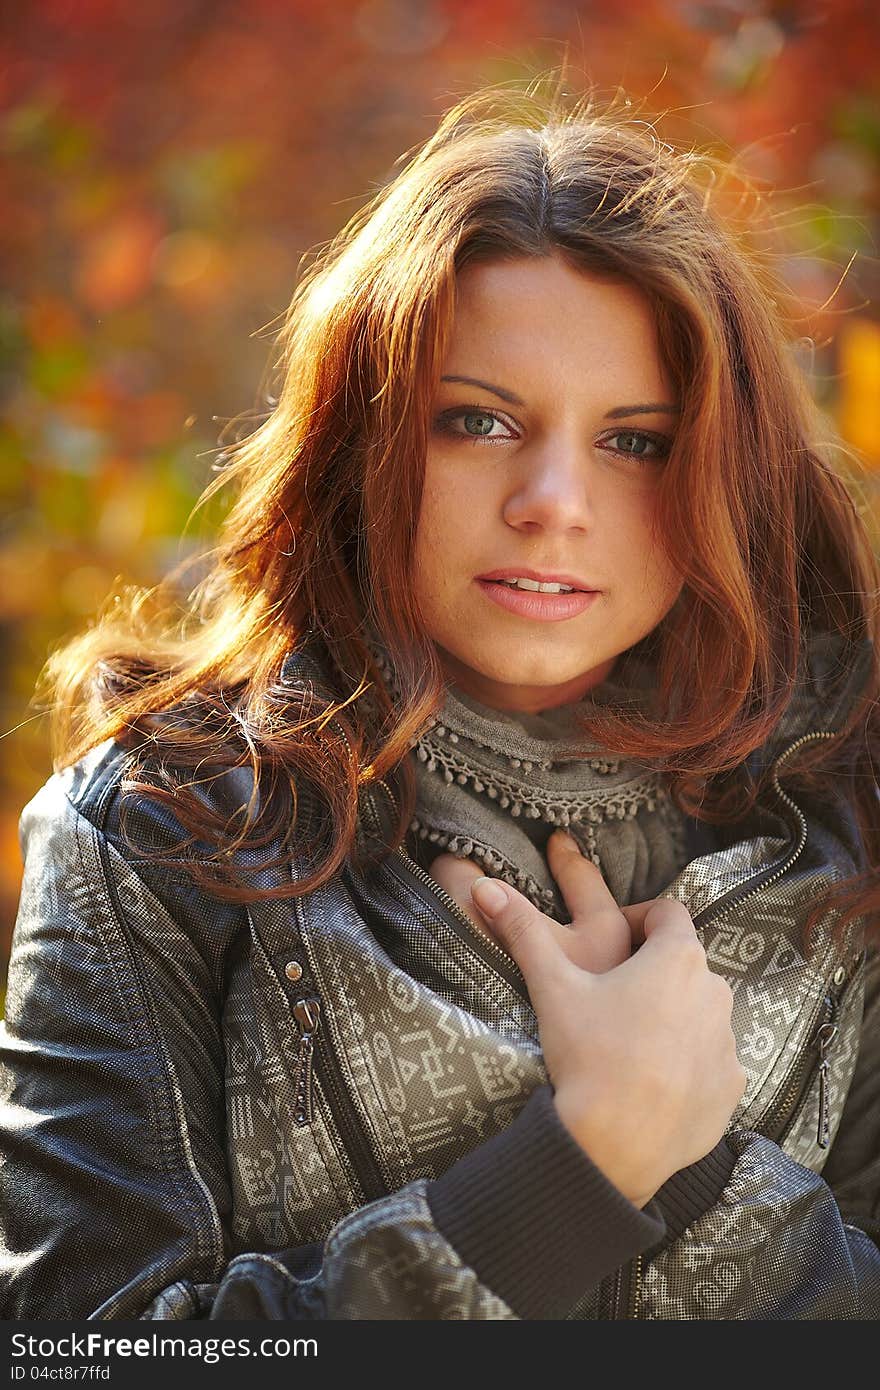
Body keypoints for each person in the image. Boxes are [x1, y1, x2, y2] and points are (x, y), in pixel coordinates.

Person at [2, 80, 879, 1322]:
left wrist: (697, 1169)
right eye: (478, 422)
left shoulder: (848, 809)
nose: (553, 501)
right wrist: (579, 1174)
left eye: (635, 440)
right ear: (365, 441)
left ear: (722, 472)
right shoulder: (160, 826)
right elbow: (70, 1354)